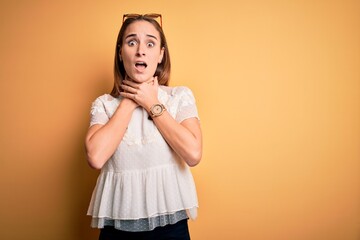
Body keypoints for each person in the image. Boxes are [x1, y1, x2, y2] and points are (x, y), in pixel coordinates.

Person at [85, 13, 202, 240]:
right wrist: (129, 101)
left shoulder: (179, 97)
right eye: (131, 42)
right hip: (116, 229)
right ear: (121, 53)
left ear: (160, 55)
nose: (141, 50)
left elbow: (193, 154)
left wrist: (151, 103)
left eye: (150, 43)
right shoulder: (104, 104)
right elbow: (96, 157)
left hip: (171, 226)